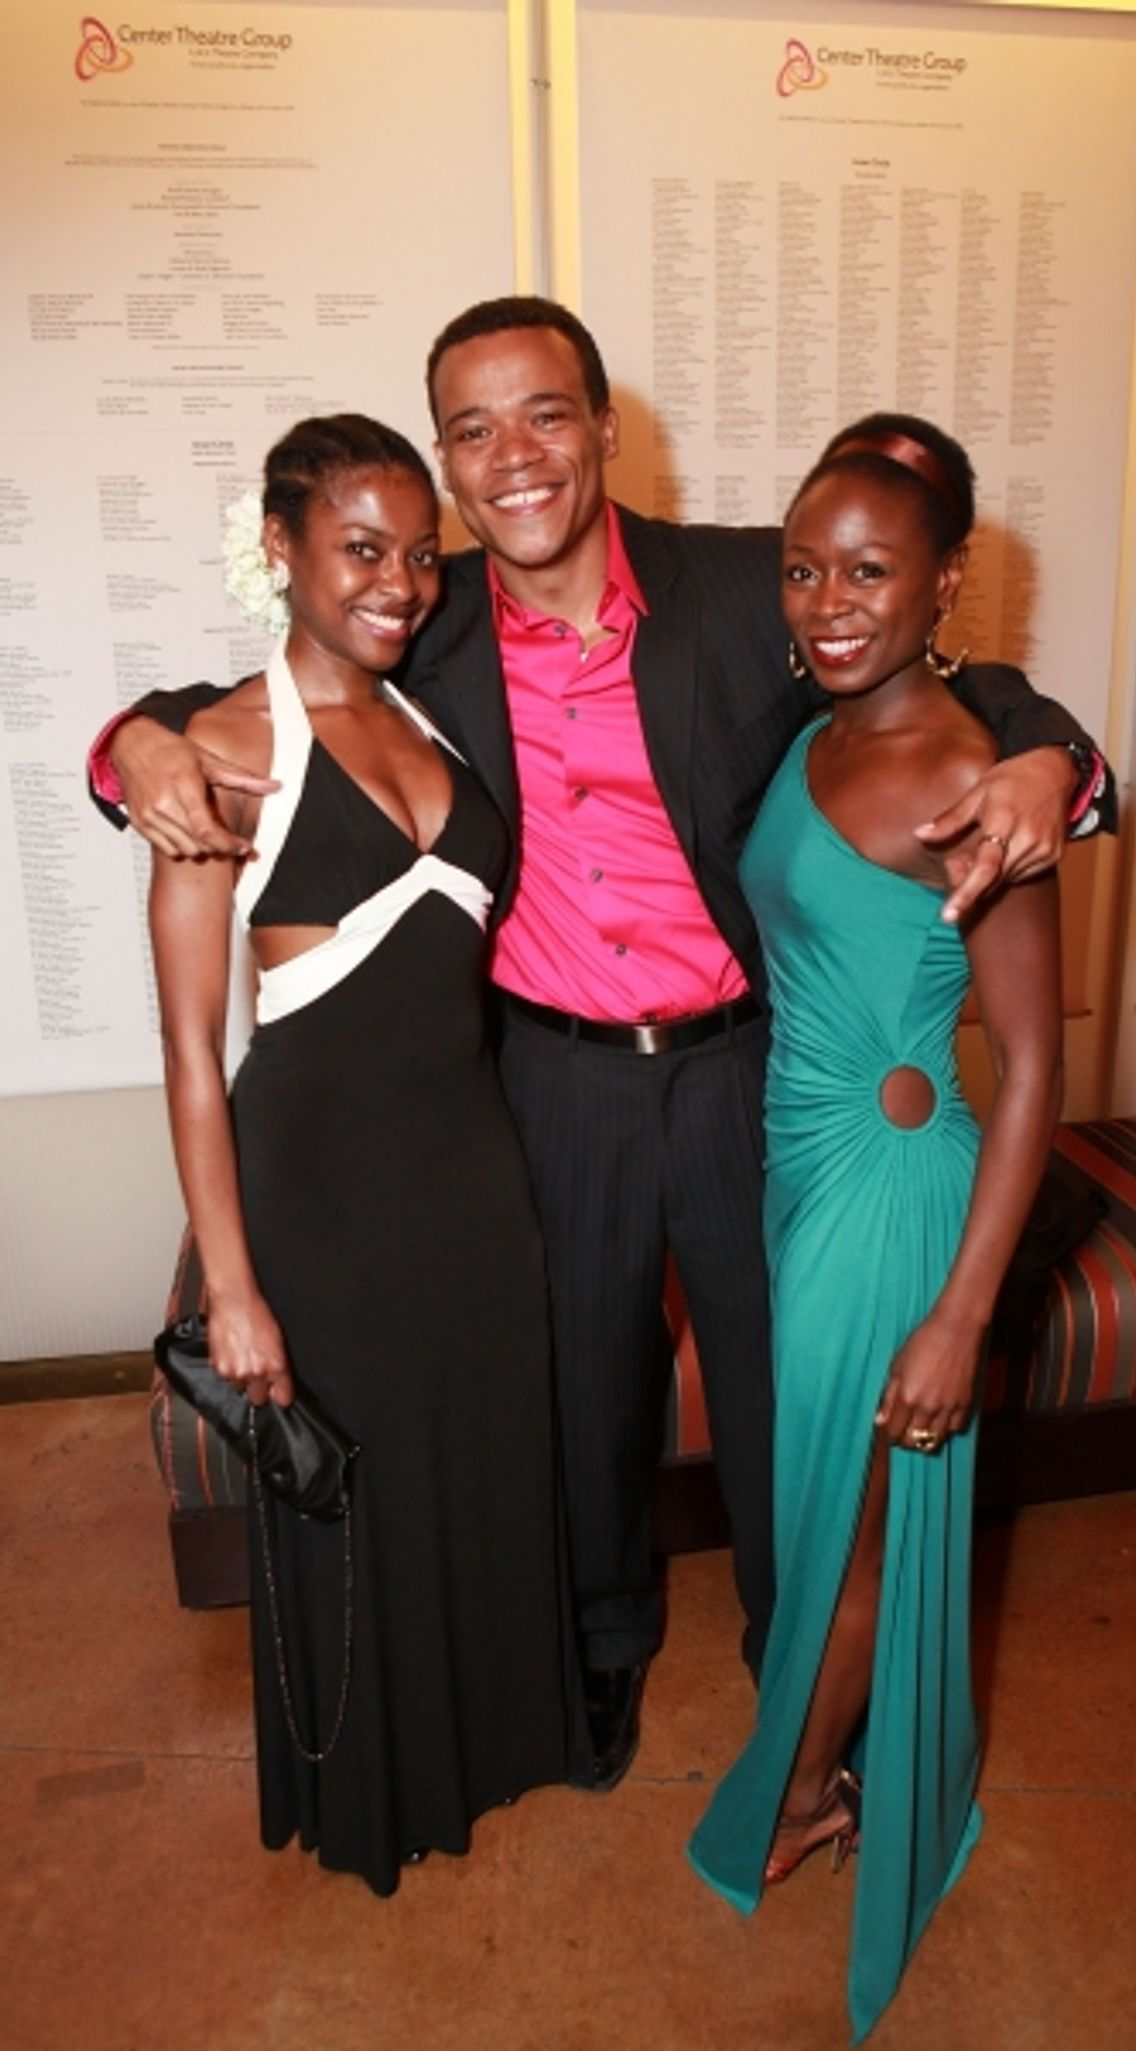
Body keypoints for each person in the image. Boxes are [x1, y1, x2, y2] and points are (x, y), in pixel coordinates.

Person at [91, 299, 1112, 1795]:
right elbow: (245, 693)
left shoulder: (735, 582)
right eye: (472, 428)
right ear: (443, 457)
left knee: (777, 1398)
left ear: (604, 428)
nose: (512, 458)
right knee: (579, 1400)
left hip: (740, 1070)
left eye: (546, 414)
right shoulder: (418, 616)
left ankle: (803, 1676)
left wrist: (1049, 753)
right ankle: (598, 1655)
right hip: (550, 1075)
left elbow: (919, 651)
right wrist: (140, 738)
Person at [147, 414, 581, 1896]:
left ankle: (487, 1745)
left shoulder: (436, 717)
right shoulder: (219, 749)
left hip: (471, 1173)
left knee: (474, 1470)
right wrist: (233, 1286)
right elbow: (194, 1053)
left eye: (418, 553)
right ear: (280, 547)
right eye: (359, 549)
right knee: (351, 1499)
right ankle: (370, 1790)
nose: (399, 581)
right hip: (322, 1195)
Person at [687, 416, 1065, 2040]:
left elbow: (1037, 1062)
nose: (826, 602)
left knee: (849, 1536)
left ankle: (799, 1799)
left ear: (945, 584)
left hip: (894, 1200)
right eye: (802, 568)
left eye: (868, 570)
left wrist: (964, 1314)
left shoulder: (984, 777)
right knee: (814, 1509)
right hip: (798, 1169)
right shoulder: (812, 727)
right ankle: (826, 1768)